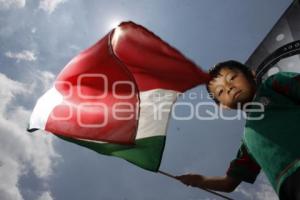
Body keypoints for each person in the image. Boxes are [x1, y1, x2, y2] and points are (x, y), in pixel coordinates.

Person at [176, 60, 300, 200]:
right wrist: (201, 181)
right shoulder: (248, 139)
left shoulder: (274, 84)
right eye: (220, 91)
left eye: (232, 78)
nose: (228, 87)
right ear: (223, 106)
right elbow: (229, 183)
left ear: (251, 74)